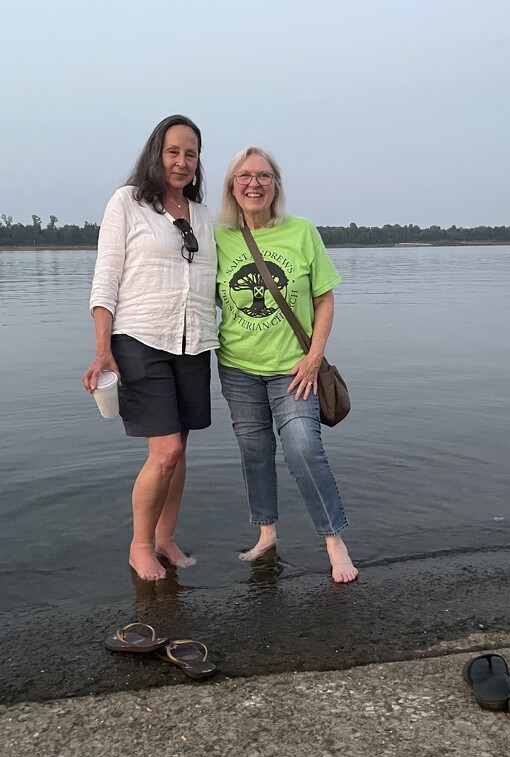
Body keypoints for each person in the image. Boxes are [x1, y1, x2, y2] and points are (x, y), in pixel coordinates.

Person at [82, 115, 217, 582]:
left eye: (191, 154)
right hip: (140, 339)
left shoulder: (202, 215)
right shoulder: (127, 203)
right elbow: (105, 280)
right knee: (163, 450)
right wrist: (103, 350)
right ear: (156, 153)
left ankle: (165, 539)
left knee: (180, 450)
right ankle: (139, 546)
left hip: (194, 342)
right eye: (174, 151)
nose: (182, 162)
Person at [214, 147, 358, 584]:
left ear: (275, 184)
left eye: (263, 176)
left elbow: (324, 298)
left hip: (295, 369)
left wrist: (314, 358)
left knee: (302, 448)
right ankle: (266, 533)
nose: (253, 184)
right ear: (231, 185)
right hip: (237, 367)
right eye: (244, 176)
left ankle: (335, 542)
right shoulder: (219, 236)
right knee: (254, 452)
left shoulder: (301, 232)